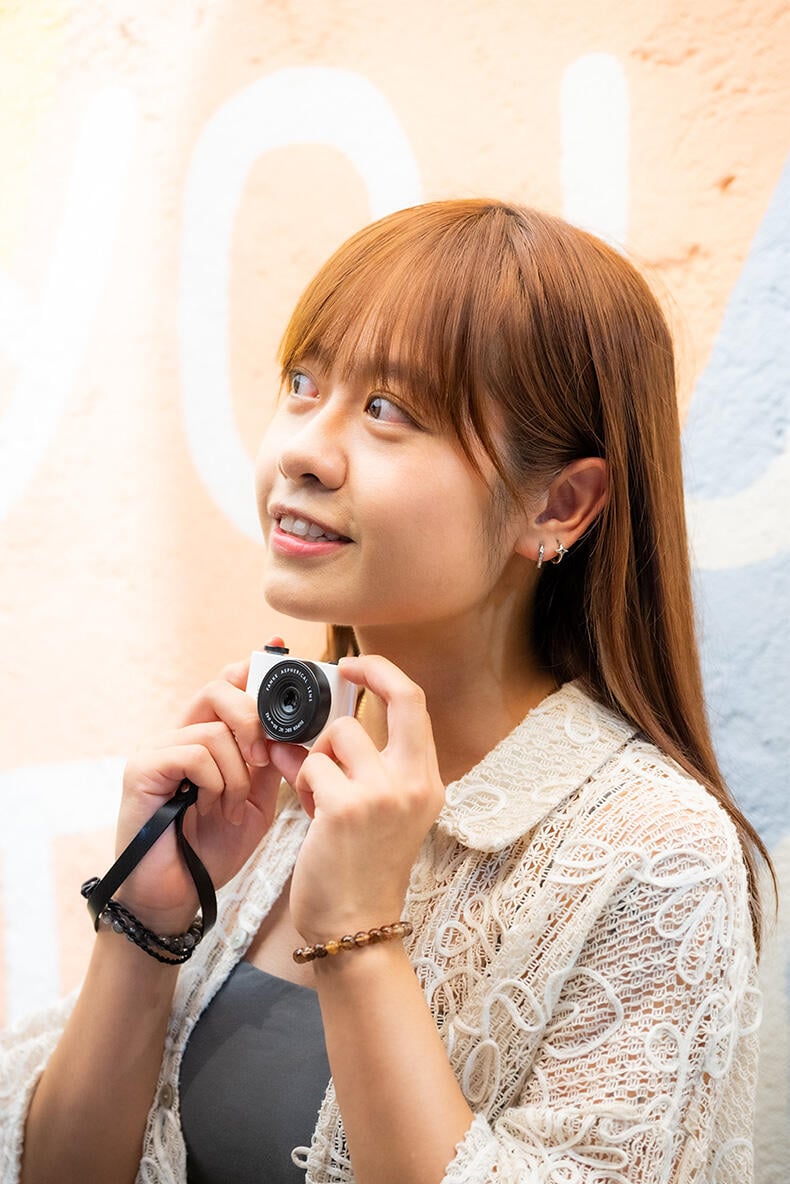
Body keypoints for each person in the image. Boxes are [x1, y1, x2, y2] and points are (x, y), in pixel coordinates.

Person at [1, 199, 772, 1184]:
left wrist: (358, 936)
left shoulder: (653, 852)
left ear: (558, 503)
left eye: (387, 410)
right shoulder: (265, 786)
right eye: (302, 383)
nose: (302, 451)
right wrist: (145, 923)